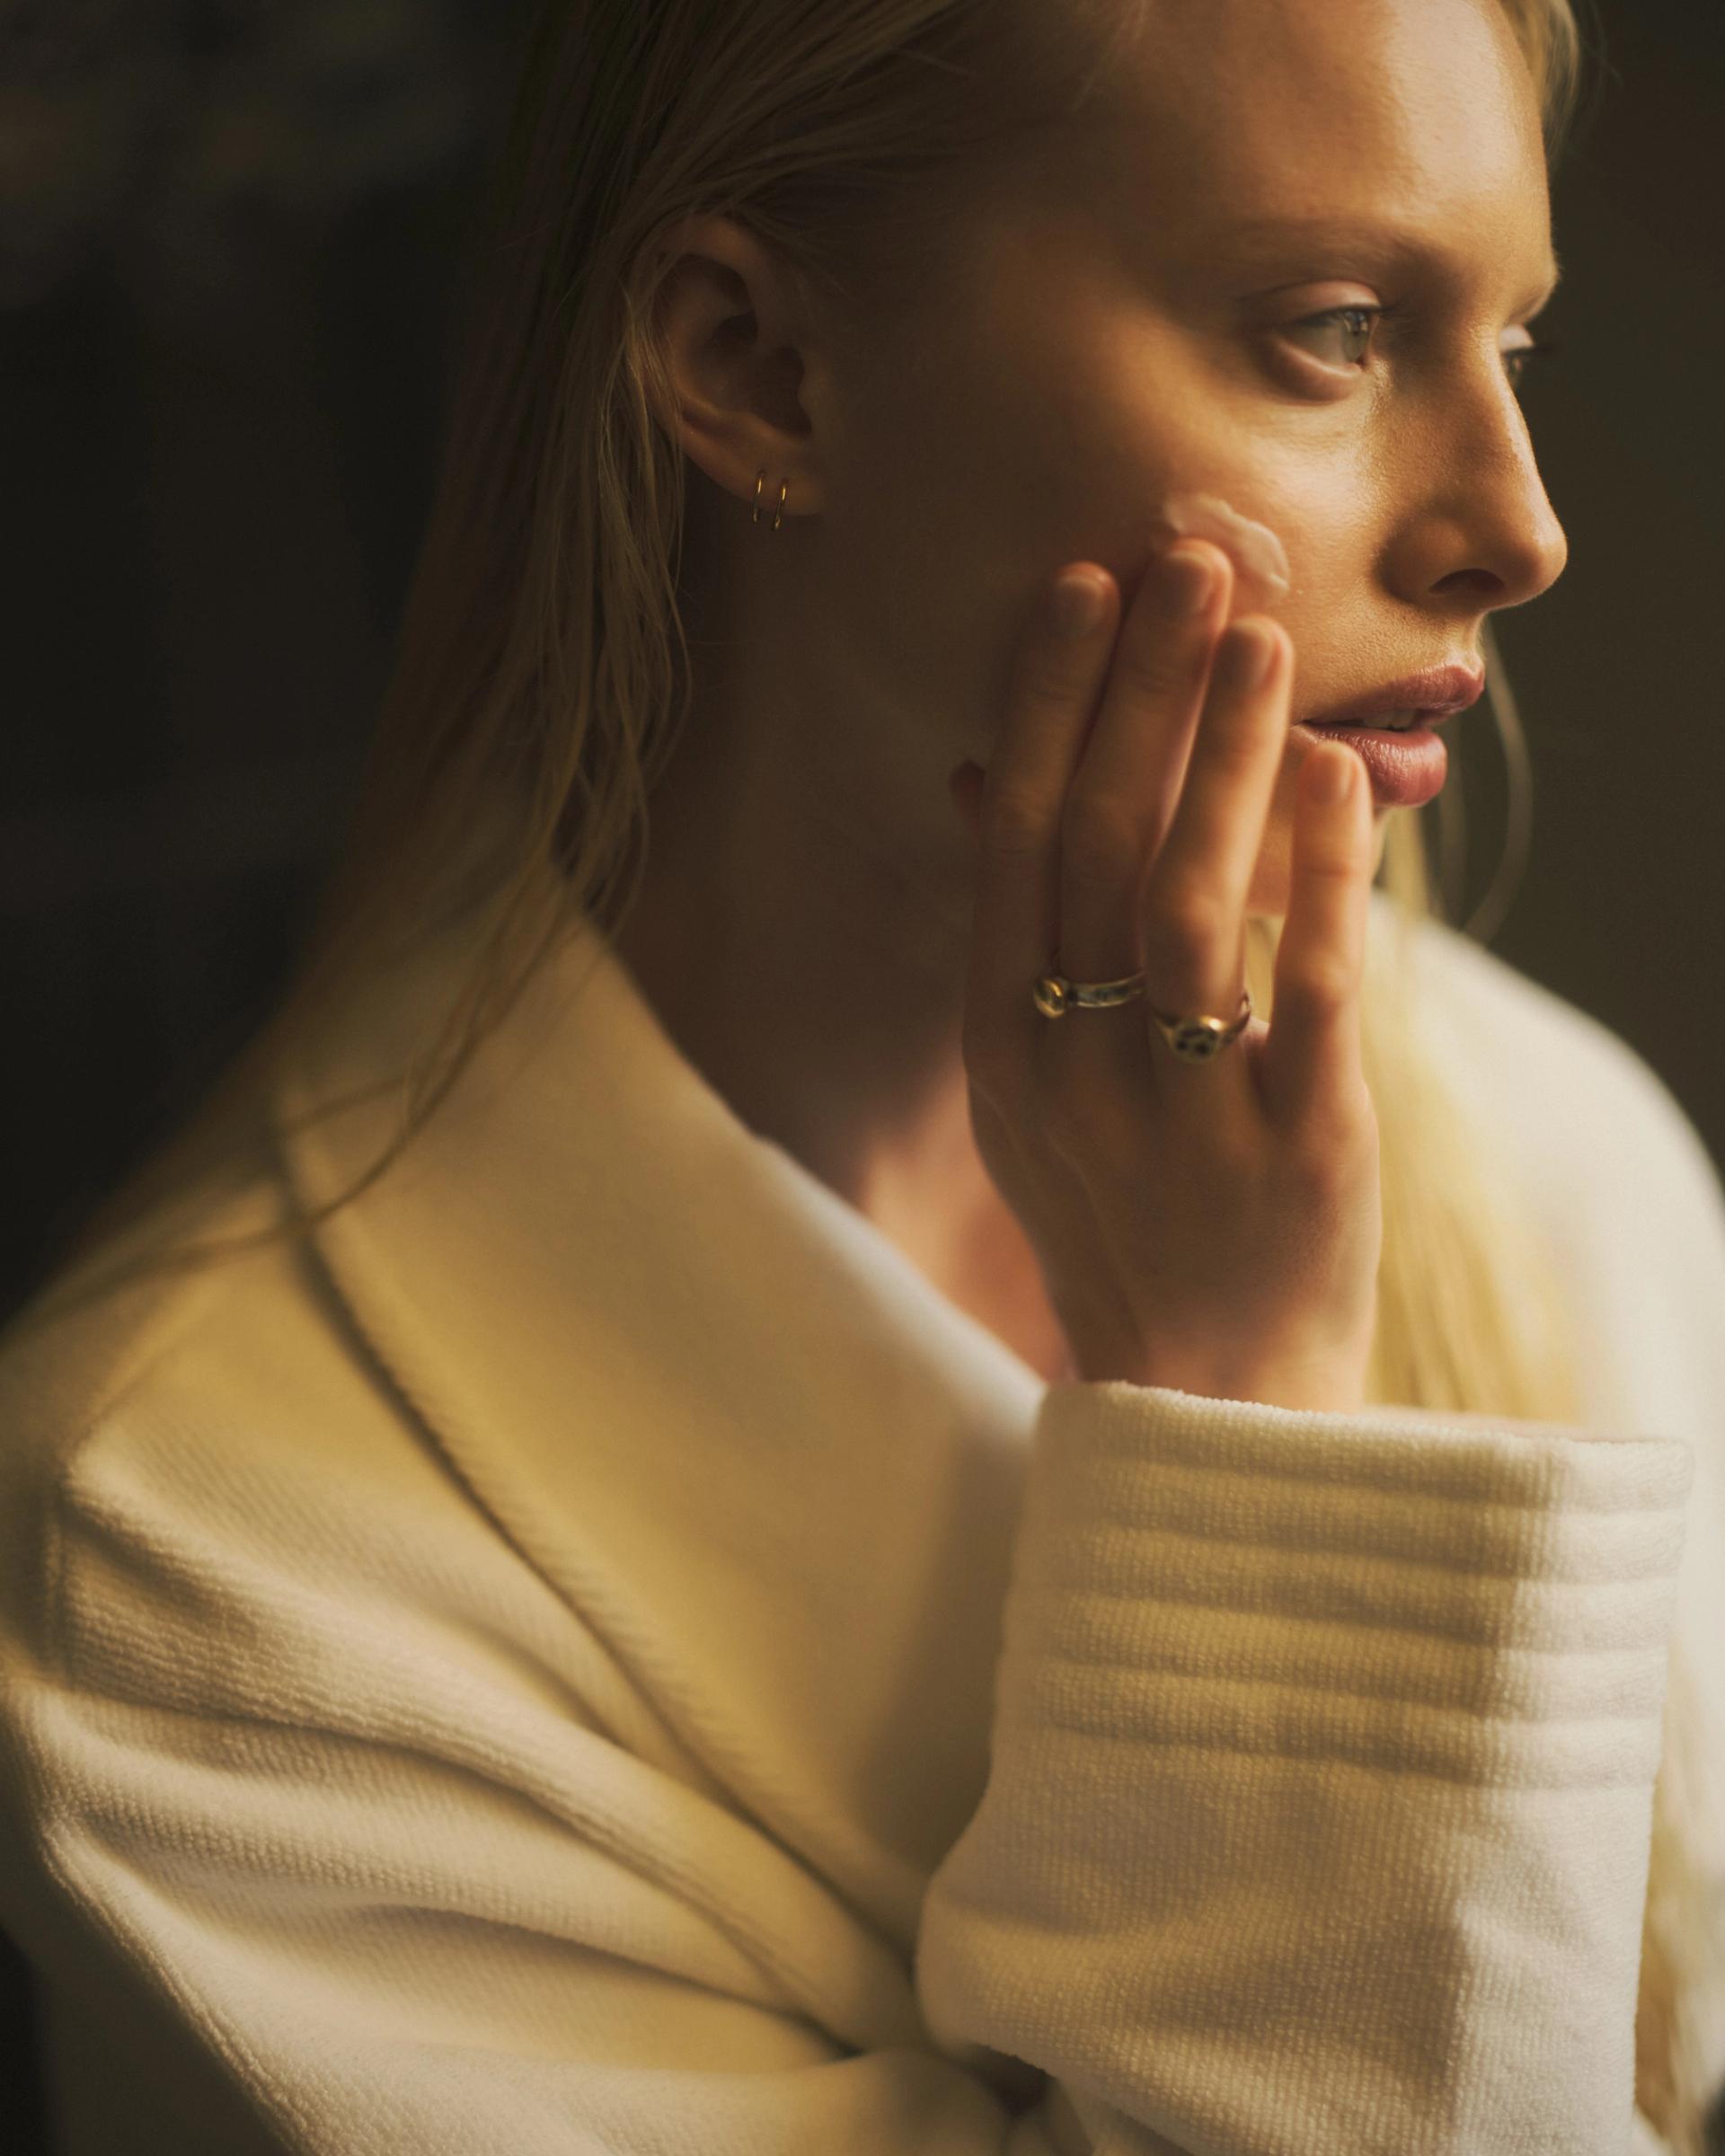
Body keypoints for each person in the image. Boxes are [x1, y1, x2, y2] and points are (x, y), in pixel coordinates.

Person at [1, 0, 1722, 2151]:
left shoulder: (1564, 1148)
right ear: (752, 364)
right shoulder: (205, 1571)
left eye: (1519, 343)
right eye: (1336, 326)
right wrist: (1249, 1404)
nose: (1520, 524)